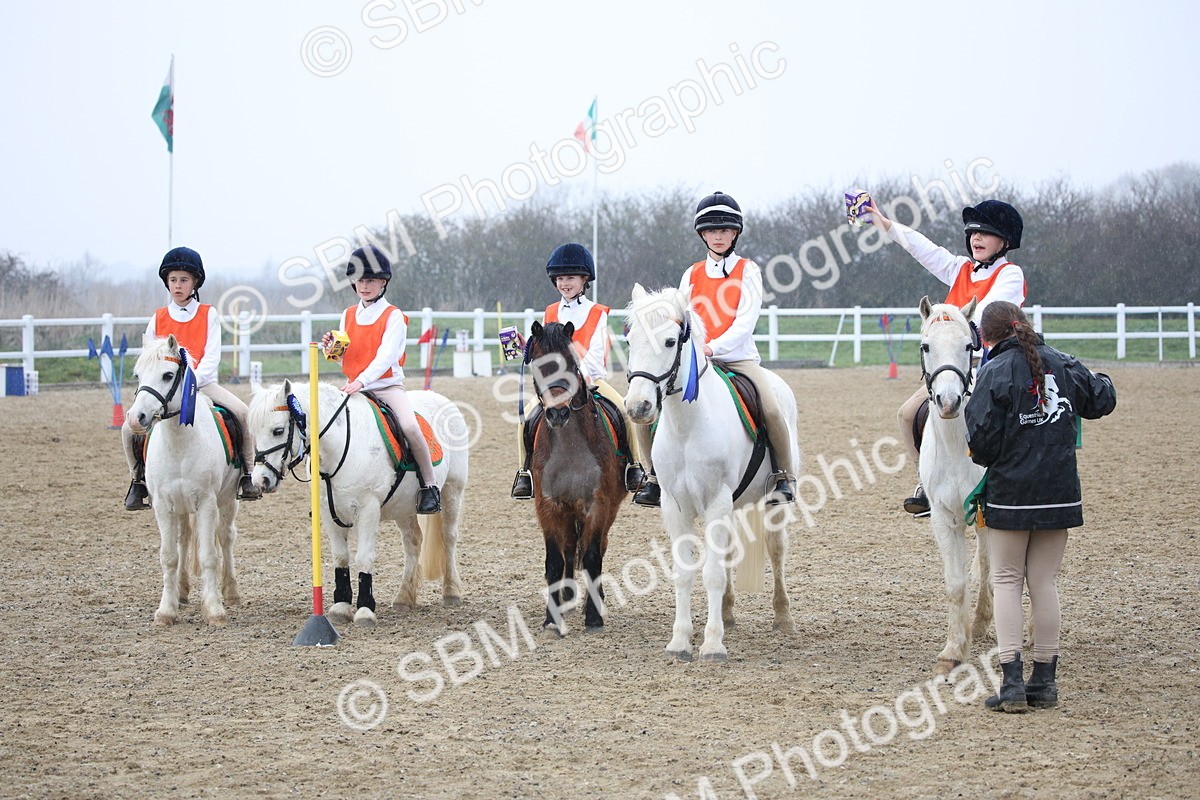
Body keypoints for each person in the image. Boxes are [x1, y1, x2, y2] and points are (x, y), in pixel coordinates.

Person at [964, 301, 1116, 711]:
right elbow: (1102, 400)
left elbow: (980, 445)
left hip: (1011, 494)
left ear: (986, 338)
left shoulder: (992, 372)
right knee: (1044, 583)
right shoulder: (1063, 364)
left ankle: (1012, 684)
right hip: (1058, 490)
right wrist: (1099, 378)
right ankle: (1045, 682)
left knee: (1008, 580)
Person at [863, 195, 1027, 516]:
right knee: (906, 415)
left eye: (986, 233)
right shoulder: (960, 269)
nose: (976, 238)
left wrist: (965, 332)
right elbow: (925, 250)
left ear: (1005, 241)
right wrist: (887, 225)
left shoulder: (1011, 275)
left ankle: (1012, 480)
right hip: (950, 369)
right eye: (973, 232)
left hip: (991, 368)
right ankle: (926, 483)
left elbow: (989, 314)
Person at [632, 190, 797, 508]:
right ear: (702, 234)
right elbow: (678, 319)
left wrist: (711, 348)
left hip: (738, 359)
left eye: (724, 230)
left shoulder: (748, 271)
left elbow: (744, 323)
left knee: (773, 409)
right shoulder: (690, 274)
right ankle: (653, 478)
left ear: (735, 233)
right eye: (711, 230)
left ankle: (783, 477)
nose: (718, 236)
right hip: (694, 363)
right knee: (646, 406)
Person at [122, 246, 262, 509]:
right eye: (173, 280)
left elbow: (211, 357)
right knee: (129, 428)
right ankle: (137, 480)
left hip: (203, 383)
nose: (177, 286)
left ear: (195, 282)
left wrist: (190, 381)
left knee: (242, 413)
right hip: (163, 389)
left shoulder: (208, 314)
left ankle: (246, 474)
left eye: (184, 280)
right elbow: (149, 357)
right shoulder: (158, 318)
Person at [511, 243, 646, 499]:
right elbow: (545, 352)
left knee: (623, 411)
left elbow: (596, 354)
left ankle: (634, 465)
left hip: (591, 381)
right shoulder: (551, 311)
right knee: (526, 418)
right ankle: (524, 473)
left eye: (570, 277)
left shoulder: (597, 312)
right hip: (555, 385)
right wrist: (525, 347)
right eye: (560, 278)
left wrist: (575, 376)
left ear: (585, 279)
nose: (565, 283)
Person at [321, 245, 440, 515]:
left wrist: (360, 382)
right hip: (355, 387)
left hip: (386, 387)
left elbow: (385, 357)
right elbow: (349, 358)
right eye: (361, 280)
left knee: (410, 427)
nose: (365, 286)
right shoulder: (347, 315)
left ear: (383, 282)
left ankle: (429, 486)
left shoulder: (394, 316)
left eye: (371, 280)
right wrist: (331, 352)